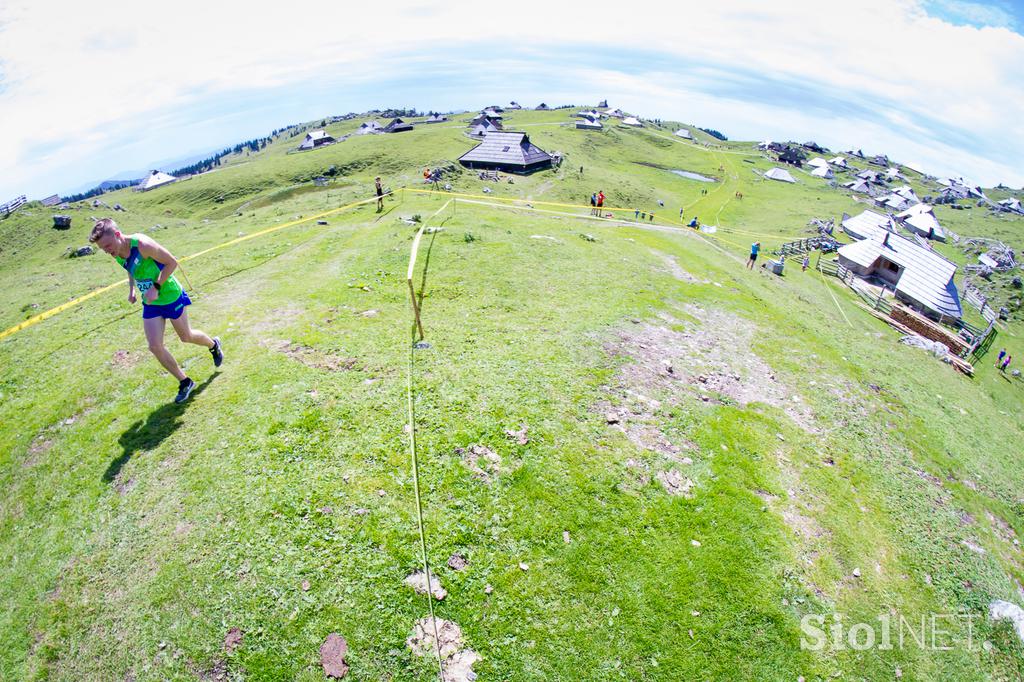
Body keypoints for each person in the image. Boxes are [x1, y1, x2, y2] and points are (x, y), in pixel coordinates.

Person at [89, 218, 222, 403]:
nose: (108, 251)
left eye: (109, 245)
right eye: (104, 249)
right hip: (151, 303)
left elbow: (172, 263)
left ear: (118, 235)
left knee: (186, 337)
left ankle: (213, 345)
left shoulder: (143, 245)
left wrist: (156, 287)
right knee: (154, 346)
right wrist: (132, 289)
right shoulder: (117, 252)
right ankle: (185, 382)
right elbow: (130, 268)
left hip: (169, 295)